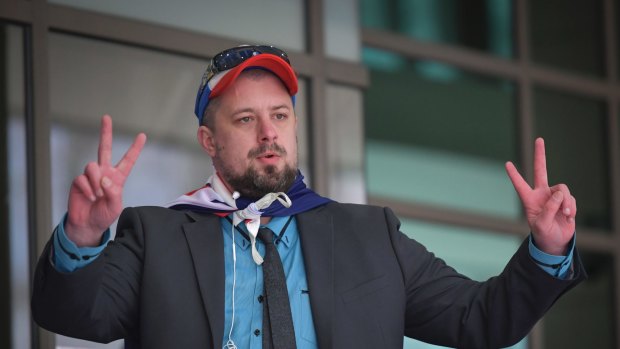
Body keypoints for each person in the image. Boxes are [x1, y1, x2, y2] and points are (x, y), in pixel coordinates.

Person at [32, 45, 585, 349]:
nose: (268, 133)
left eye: (280, 116)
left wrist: (547, 248)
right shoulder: (157, 235)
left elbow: (482, 320)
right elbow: (77, 316)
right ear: (210, 141)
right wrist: (82, 237)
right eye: (246, 119)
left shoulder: (373, 236)